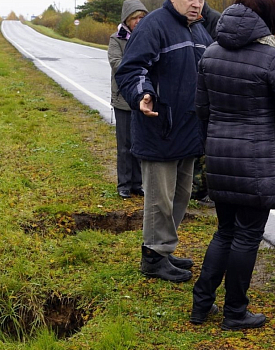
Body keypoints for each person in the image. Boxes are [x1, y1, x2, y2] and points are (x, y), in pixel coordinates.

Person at [190, 0, 275, 330]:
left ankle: (201, 306)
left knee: (225, 231)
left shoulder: (210, 53)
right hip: (256, 163)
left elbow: (201, 109)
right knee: (247, 237)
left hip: (220, 157)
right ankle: (235, 312)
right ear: (269, 17)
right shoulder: (271, 58)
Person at [116, 0, 213, 283]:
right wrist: (141, 95)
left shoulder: (199, 31)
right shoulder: (154, 24)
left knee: (181, 196)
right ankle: (153, 257)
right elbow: (131, 70)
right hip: (159, 127)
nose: (197, 3)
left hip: (189, 129)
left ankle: (165, 250)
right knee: (160, 198)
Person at [108, 0, 147, 199]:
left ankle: (136, 184)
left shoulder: (148, 37)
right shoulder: (116, 39)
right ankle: (123, 184)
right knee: (124, 145)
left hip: (143, 98)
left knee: (138, 144)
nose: (139, 21)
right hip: (123, 99)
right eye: (135, 18)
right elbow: (116, 63)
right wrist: (137, 65)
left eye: (142, 17)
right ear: (127, 20)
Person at [190, 2, 221, 207]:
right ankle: (197, 187)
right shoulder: (186, 19)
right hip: (194, 88)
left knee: (209, 145)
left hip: (210, 88)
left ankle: (208, 189)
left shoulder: (214, 20)